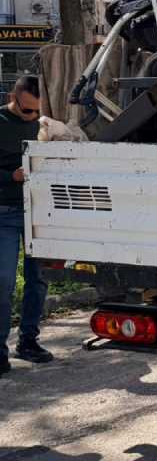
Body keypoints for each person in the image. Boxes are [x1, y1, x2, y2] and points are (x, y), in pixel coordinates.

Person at [0, 76, 51, 375]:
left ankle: (28, 342)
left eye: (36, 111)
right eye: (26, 111)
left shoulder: (43, 123)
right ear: (12, 97)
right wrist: (11, 177)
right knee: (3, 283)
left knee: (38, 279)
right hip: (4, 212)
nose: (32, 117)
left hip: (38, 211)